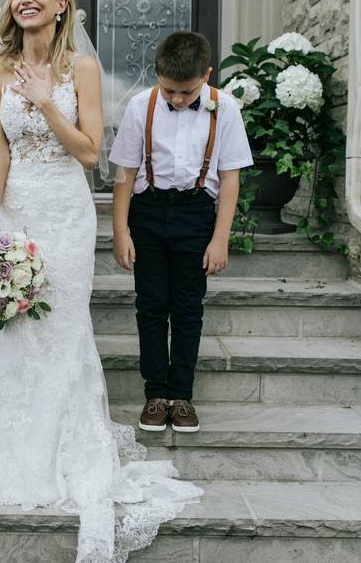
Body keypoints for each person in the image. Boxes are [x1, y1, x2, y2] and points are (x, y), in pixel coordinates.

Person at [0, 0, 201, 563]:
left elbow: (88, 153)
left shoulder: (80, 67)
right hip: (19, 211)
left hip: (65, 209)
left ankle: (62, 439)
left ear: (61, 5)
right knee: (18, 326)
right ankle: (12, 437)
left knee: (59, 326)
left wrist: (42, 101)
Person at [109, 32, 254, 434]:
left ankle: (182, 395)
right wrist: (120, 231)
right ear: (156, 75)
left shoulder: (226, 109)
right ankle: (156, 393)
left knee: (189, 308)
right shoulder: (141, 106)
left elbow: (230, 178)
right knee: (151, 305)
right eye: (168, 89)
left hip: (196, 213)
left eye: (186, 92)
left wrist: (220, 237)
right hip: (149, 211)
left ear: (206, 75)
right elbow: (124, 173)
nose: (175, 98)